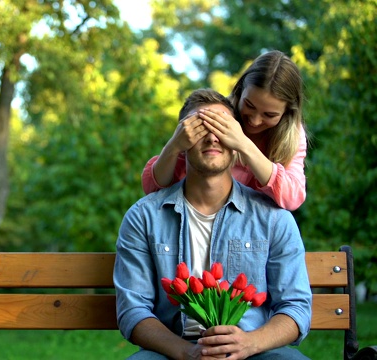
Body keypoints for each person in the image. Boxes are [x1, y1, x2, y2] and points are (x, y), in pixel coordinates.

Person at [114, 89, 312, 359]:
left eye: (222, 127)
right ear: (182, 140)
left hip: (253, 348)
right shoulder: (143, 217)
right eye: (199, 127)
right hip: (174, 350)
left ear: (238, 141)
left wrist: (249, 343)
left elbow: (296, 307)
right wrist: (188, 352)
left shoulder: (274, 218)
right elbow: (133, 309)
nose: (211, 136)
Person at [141, 50, 307, 211]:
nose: (255, 121)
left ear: (287, 112)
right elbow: (153, 187)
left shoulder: (292, 136)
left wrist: (244, 145)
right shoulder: (217, 115)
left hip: (254, 229)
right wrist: (174, 146)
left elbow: (292, 198)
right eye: (249, 105)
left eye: (269, 115)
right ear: (240, 91)